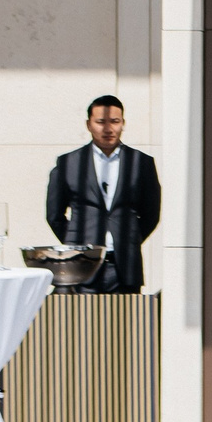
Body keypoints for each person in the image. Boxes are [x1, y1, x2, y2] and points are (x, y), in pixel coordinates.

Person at [44, 94, 163, 293]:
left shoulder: (141, 163)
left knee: (125, 323)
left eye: (115, 121)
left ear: (123, 123)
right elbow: (54, 215)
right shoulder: (68, 163)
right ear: (88, 124)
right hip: (80, 266)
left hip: (124, 267)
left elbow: (151, 214)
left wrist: (129, 239)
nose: (108, 129)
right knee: (80, 322)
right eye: (100, 122)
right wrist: (75, 243)